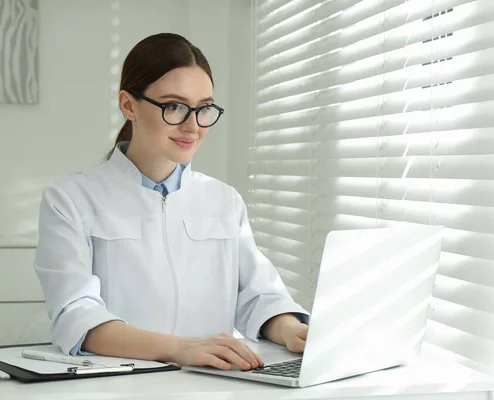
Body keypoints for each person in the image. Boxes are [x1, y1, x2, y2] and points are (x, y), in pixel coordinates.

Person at [34, 33, 309, 371]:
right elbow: (75, 315)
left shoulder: (224, 200)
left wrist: (292, 330)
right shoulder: (71, 199)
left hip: (216, 385)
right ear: (129, 105)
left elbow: (258, 296)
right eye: (174, 107)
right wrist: (179, 349)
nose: (193, 126)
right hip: (119, 387)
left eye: (203, 108)